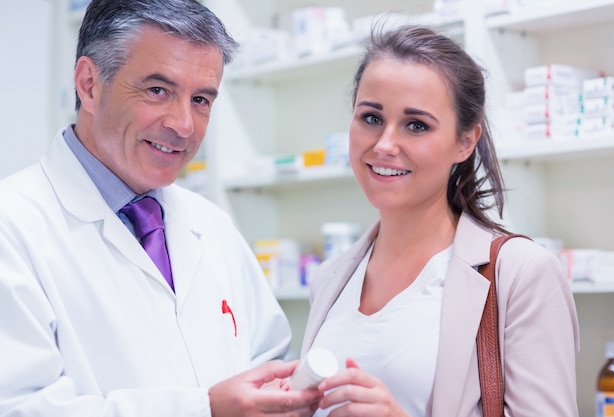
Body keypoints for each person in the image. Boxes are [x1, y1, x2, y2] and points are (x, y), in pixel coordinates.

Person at [0, 1, 322, 416]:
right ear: (89, 84)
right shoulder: (13, 224)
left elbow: (267, 363)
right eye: (158, 90)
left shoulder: (211, 225)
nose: (184, 125)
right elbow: (18, 406)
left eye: (202, 99)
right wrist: (202, 409)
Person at [299, 25, 580, 416]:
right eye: (370, 117)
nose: (383, 145)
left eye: (416, 125)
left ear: (465, 142)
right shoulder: (331, 279)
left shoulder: (521, 275)